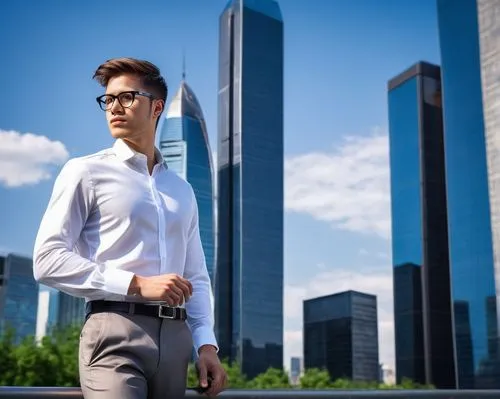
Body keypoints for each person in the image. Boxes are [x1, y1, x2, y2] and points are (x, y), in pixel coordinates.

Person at [33, 57, 227, 398]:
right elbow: (47, 260)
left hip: (176, 340)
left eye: (126, 97)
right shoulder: (85, 172)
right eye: (108, 99)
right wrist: (136, 284)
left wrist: (206, 345)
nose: (113, 107)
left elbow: (195, 276)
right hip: (113, 330)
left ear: (157, 107)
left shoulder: (182, 190)